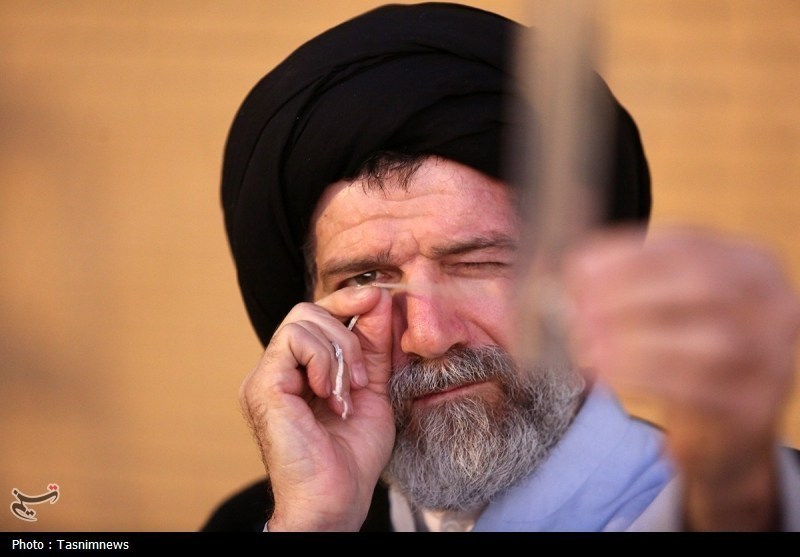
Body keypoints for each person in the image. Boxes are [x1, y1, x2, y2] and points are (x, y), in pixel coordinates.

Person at [202, 2, 800, 532]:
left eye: (479, 263)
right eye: (365, 280)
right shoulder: (275, 520)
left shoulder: (759, 505)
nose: (429, 337)